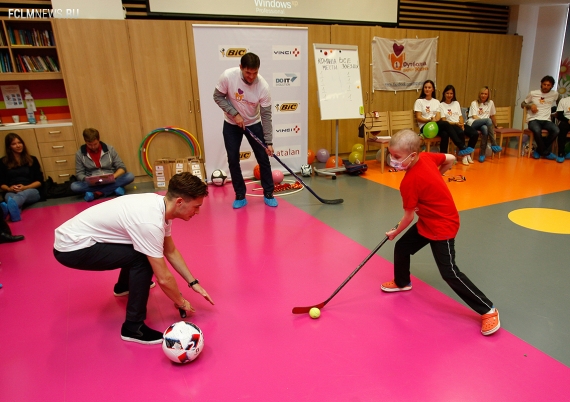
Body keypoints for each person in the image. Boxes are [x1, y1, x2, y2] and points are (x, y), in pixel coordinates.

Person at [54, 172, 214, 344]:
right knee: (143, 259)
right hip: (72, 246)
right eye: (196, 206)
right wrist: (181, 302)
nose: (197, 212)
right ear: (180, 202)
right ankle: (133, 327)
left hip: (79, 237)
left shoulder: (162, 207)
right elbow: (164, 278)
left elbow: (171, 251)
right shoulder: (150, 223)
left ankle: (123, 287)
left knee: (143, 249)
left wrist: (193, 283)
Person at [380, 129, 500, 336]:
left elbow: (408, 218)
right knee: (403, 248)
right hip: (428, 220)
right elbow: (451, 158)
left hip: (442, 225)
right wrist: (439, 175)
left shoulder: (408, 182)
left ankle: (488, 310)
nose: (393, 160)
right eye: (391, 155)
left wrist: (394, 232)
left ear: (413, 155)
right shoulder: (426, 157)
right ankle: (402, 282)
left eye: (397, 157)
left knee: (449, 272)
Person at [213, 52, 277, 209]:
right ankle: (240, 195)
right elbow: (218, 97)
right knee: (233, 159)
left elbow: (266, 116)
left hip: (253, 122)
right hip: (231, 124)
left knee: (263, 158)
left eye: (255, 73)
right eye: (248, 72)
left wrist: (268, 142)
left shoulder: (263, 87)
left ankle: (268, 193)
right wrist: (234, 114)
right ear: (241, 67)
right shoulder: (228, 76)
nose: (251, 76)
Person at [71, 128, 135, 202]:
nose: (93, 147)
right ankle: (113, 189)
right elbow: (79, 174)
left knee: (130, 176)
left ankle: (97, 193)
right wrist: (89, 179)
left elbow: (122, 167)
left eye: (95, 144)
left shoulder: (110, 149)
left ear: (99, 140)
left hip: (111, 179)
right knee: (74, 186)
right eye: (89, 145)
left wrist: (113, 176)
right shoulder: (80, 154)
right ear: (85, 142)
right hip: (93, 183)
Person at [414, 80, 472, 156]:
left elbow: (438, 116)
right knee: (445, 123)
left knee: (445, 133)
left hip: (435, 125)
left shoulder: (436, 102)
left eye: (429, 87)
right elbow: (418, 117)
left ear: (433, 89)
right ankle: (461, 146)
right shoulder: (419, 101)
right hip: (425, 127)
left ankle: (443, 157)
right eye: (425, 87)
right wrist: (429, 119)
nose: (427, 89)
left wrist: (435, 119)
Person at [0, 133, 44, 222]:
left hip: (31, 190)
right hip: (12, 191)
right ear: (9, 147)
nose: (18, 146)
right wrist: (9, 188)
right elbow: (1, 183)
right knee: (10, 198)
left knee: (21, 195)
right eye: (14, 144)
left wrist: (25, 187)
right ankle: (15, 216)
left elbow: (40, 181)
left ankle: (6, 210)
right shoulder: (3, 162)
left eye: (19, 143)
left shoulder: (32, 159)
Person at [521, 75, 560, 160]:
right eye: (544, 84)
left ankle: (539, 151)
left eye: (548, 85)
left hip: (546, 120)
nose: (546, 87)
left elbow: (560, 103)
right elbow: (522, 104)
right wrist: (530, 105)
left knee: (556, 130)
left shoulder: (554, 94)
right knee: (537, 130)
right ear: (541, 84)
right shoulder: (533, 93)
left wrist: (558, 112)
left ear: (552, 86)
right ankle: (545, 153)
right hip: (533, 119)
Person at [439, 84, 479, 165]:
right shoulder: (441, 105)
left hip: (459, 124)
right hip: (451, 125)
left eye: (451, 93)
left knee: (475, 134)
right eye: (447, 93)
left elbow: (460, 116)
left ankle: (468, 153)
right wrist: (456, 124)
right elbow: (444, 120)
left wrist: (462, 124)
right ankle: (464, 155)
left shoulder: (456, 103)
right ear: (444, 94)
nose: (449, 95)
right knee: (460, 133)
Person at [467, 86, 502, 163]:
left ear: (488, 95)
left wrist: (496, 126)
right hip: (473, 123)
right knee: (488, 120)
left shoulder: (490, 103)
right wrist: (485, 121)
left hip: (485, 125)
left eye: (485, 94)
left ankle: (482, 154)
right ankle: (494, 143)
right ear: (479, 94)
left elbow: (492, 115)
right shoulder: (474, 103)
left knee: (485, 129)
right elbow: (474, 116)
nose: (483, 95)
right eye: (482, 93)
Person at [555, 96, 570, 163]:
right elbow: (559, 115)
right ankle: (561, 153)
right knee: (562, 128)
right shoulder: (564, 100)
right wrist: (568, 120)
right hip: (566, 121)